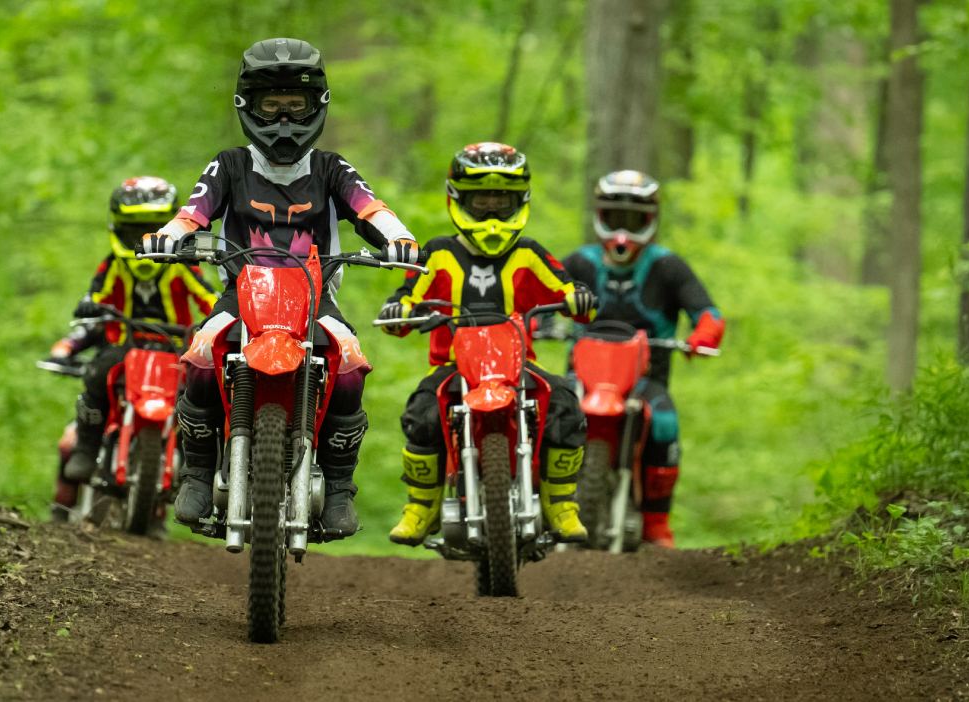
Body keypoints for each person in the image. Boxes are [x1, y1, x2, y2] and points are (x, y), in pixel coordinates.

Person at [139, 38, 420, 537]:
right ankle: (199, 474)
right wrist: (170, 236)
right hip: (240, 293)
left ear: (317, 106)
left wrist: (398, 239)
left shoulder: (332, 168)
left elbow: (371, 208)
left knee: (351, 363)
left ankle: (337, 488)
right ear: (250, 105)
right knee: (200, 353)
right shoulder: (229, 165)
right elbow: (194, 211)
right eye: (273, 105)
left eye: (297, 105)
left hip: (315, 298)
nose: (286, 118)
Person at [377, 142, 596, 546]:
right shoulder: (439, 254)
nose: (493, 210)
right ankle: (421, 508)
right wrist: (397, 311)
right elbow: (408, 293)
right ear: (459, 199)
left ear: (520, 201)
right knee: (422, 413)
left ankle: (561, 504)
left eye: (502, 200)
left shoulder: (529, 254)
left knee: (565, 404)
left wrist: (578, 297)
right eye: (482, 200)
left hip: (518, 367)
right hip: (453, 367)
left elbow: (567, 288)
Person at [561, 170, 724, 548]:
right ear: (600, 215)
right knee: (544, 411)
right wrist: (528, 320)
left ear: (651, 221)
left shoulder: (667, 266)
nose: (623, 231)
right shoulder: (580, 263)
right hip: (579, 379)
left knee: (665, 421)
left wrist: (703, 335)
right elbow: (533, 295)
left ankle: (656, 523)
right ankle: (531, 501)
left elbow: (708, 312)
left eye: (633, 221)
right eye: (615, 218)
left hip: (644, 382)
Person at [58, 176, 218, 503]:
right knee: (97, 373)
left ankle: (194, 469)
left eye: (154, 231)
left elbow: (209, 297)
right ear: (118, 228)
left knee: (202, 393)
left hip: (175, 349)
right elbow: (96, 293)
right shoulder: (114, 263)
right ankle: (87, 448)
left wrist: (220, 315)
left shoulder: (183, 264)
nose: (144, 240)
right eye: (135, 231)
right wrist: (89, 304)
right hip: (125, 348)